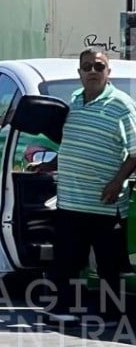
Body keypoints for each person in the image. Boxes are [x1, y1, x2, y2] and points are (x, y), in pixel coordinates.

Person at [44, 49, 136, 323]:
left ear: (108, 72)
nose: (93, 71)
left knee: (109, 265)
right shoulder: (74, 101)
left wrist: (117, 181)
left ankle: (111, 315)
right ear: (79, 73)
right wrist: (50, 165)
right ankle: (64, 311)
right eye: (87, 67)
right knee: (67, 261)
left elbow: (135, 151)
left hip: (104, 204)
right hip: (70, 201)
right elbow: (72, 144)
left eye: (99, 66)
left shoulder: (121, 105)